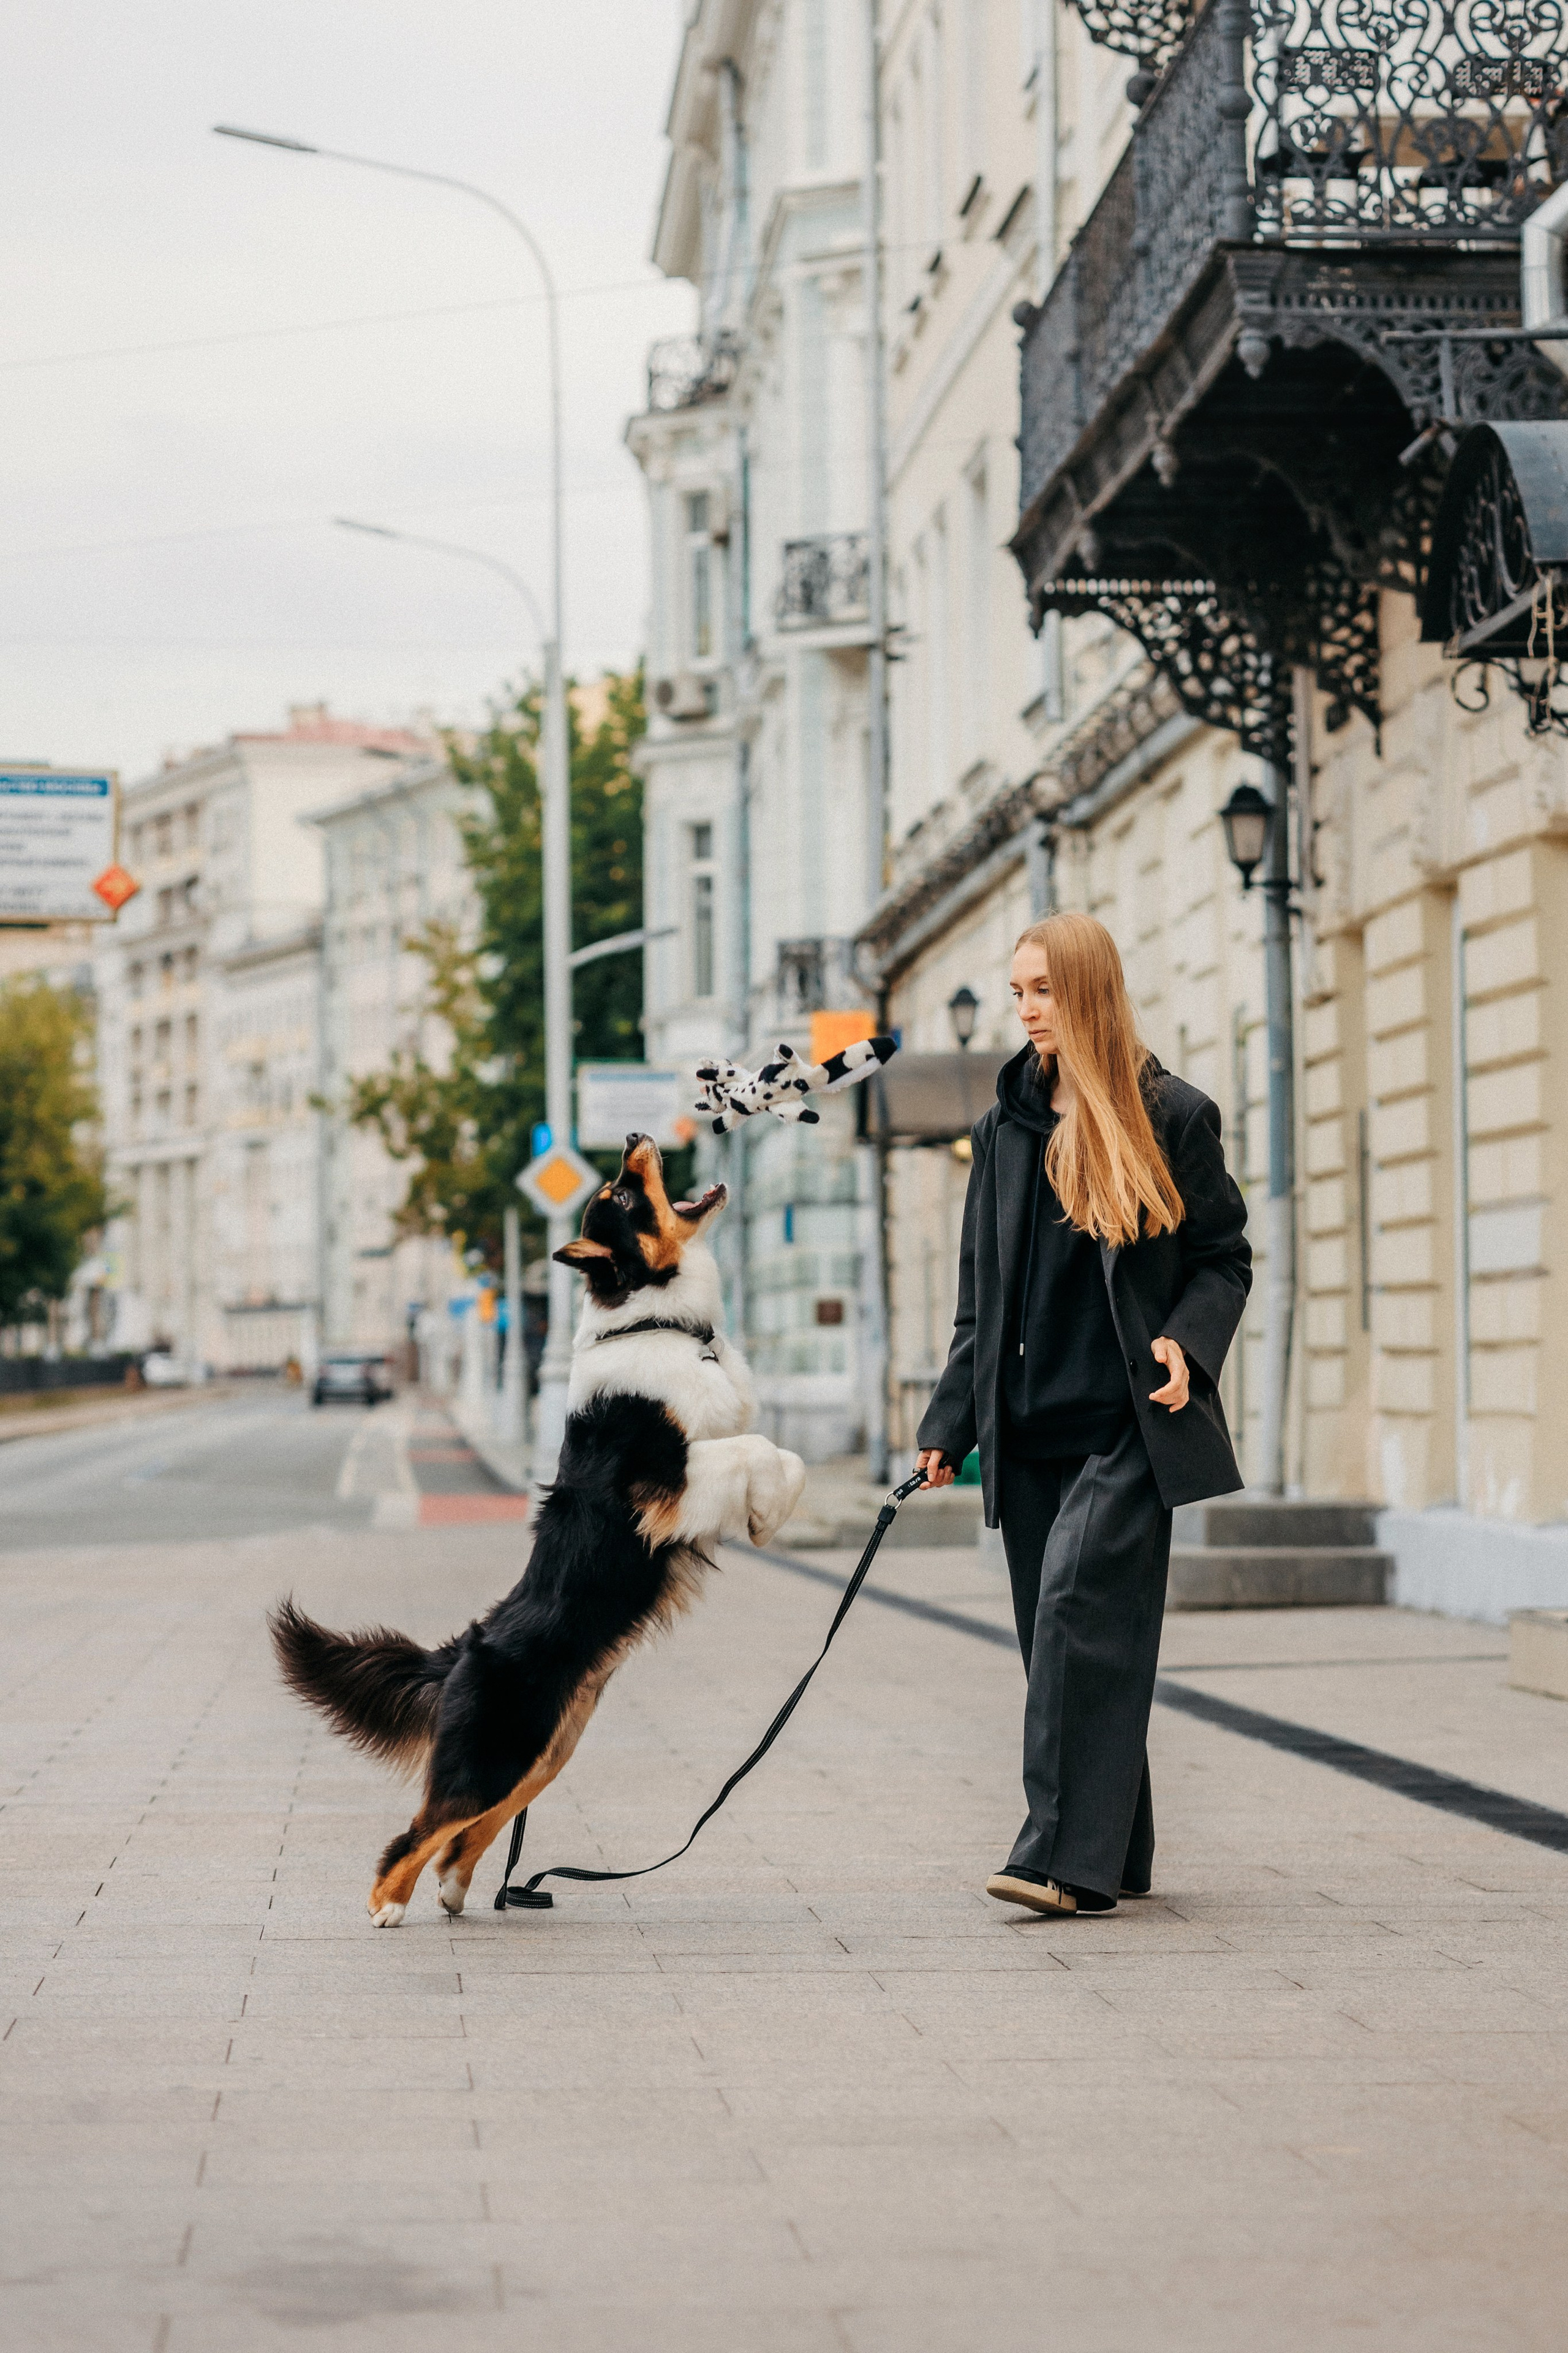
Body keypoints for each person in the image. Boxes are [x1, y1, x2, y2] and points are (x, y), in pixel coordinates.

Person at [916, 911, 1251, 1917]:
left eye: (1045, 989)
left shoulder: (1171, 1116)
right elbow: (982, 1299)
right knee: (1064, 1640)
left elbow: (1223, 1255)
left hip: (1127, 1425)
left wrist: (1187, 1344)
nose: (1027, 1007)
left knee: (1073, 1620)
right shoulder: (1004, 1127)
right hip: (1025, 1437)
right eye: (1018, 989)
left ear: (1090, 992)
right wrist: (948, 1427)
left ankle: (1060, 1860)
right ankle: (1122, 1851)